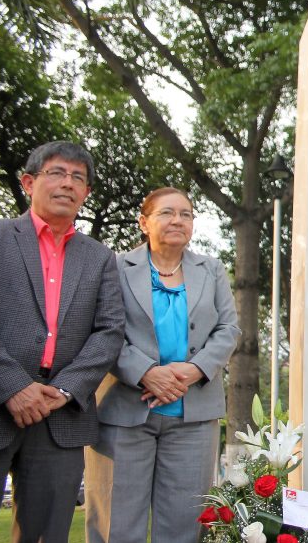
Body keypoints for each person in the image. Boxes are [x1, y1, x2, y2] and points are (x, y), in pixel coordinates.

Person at [0, 141, 126, 542]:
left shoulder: (99, 257)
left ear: (86, 193)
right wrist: (14, 386)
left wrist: (64, 390)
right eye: (57, 173)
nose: (67, 183)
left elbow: (109, 331)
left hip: (60, 416)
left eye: (78, 177)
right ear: (29, 182)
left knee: (47, 534)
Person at [85, 187, 241, 543]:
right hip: (123, 414)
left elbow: (228, 329)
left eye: (186, 214)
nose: (177, 220)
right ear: (144, 222)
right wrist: (145, 373)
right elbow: (101, 328)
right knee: (115, 523)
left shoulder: (212, 269)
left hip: (193, 417)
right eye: (167, 213)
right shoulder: (114, 267)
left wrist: (194, 369)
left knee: (184, 525)